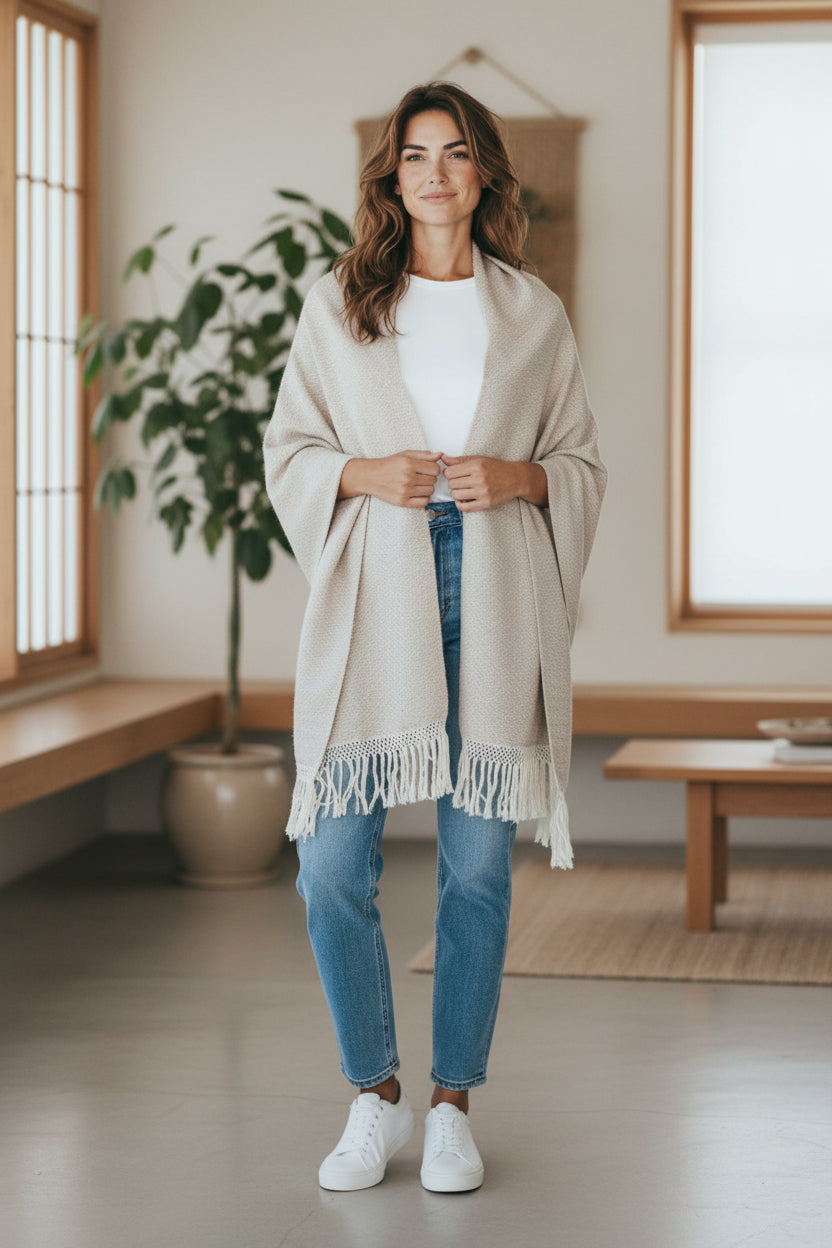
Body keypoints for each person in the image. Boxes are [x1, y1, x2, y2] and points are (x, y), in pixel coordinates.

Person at [263, 81, 607, 1194]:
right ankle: (376, 1096)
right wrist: (363, 472)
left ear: (482, 174)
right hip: (379, 591)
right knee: (330, 869)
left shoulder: (532, 314)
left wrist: (521, 477)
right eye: (414, 155)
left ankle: (453, 1102)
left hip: (494, 584)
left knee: (474, 875)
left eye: (455, 153)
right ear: (390, 177)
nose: (434, 172)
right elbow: (291, 450)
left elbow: (582, 466)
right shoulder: (343, 305)